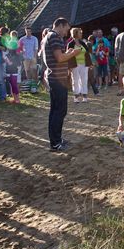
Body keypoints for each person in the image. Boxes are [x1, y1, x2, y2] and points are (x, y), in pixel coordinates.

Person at [43, 17, 80, 152]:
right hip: (58, 79)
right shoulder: (55, 37)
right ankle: (56, 143)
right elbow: (59, 58)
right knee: (59, 111)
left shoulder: (49, 36)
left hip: (54, 78)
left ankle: (56, 140)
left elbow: (58, 56)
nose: (67, 32)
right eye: (66, 29)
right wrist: (73, 53)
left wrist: (67, 53)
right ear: (60, 25)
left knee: (55, 111)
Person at [67, 27, 92, 102]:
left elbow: (87, 53)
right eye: (80, 33)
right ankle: (76, 96)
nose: (81, 34)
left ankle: (84, 96)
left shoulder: (83, 43)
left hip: (84, 64)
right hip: (75, 64)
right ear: (75, 34)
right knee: (75, 80)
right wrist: (69, 66)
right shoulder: (70, 44)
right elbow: (68, 55)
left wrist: (90, 63)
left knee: (84, 79)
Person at [4, 31, 22, 103]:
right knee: (10, 82)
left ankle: (18, 99)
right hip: (8, 65)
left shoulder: (18, 44)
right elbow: (5, 53)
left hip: (15, 65)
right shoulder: (8, 44)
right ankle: (14, 98)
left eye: (15, 36)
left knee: (14, 82)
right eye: (12, 36)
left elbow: (19, 54)